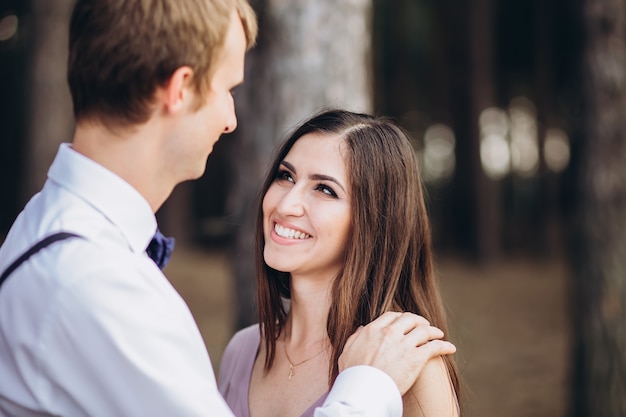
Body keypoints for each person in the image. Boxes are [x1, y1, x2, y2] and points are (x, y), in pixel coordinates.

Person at [0, 1, 456, 416]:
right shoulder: (99, 283)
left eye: (325, 190)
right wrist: (367, 387)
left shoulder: (46, 231)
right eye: (228, 88)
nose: (231, 118)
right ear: (180, 89)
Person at [218, 109, 461, 417]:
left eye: (324, 189)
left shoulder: (409, 363)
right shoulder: (241, 351)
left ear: (372, 223)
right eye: (286, 176)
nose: (286, 204)